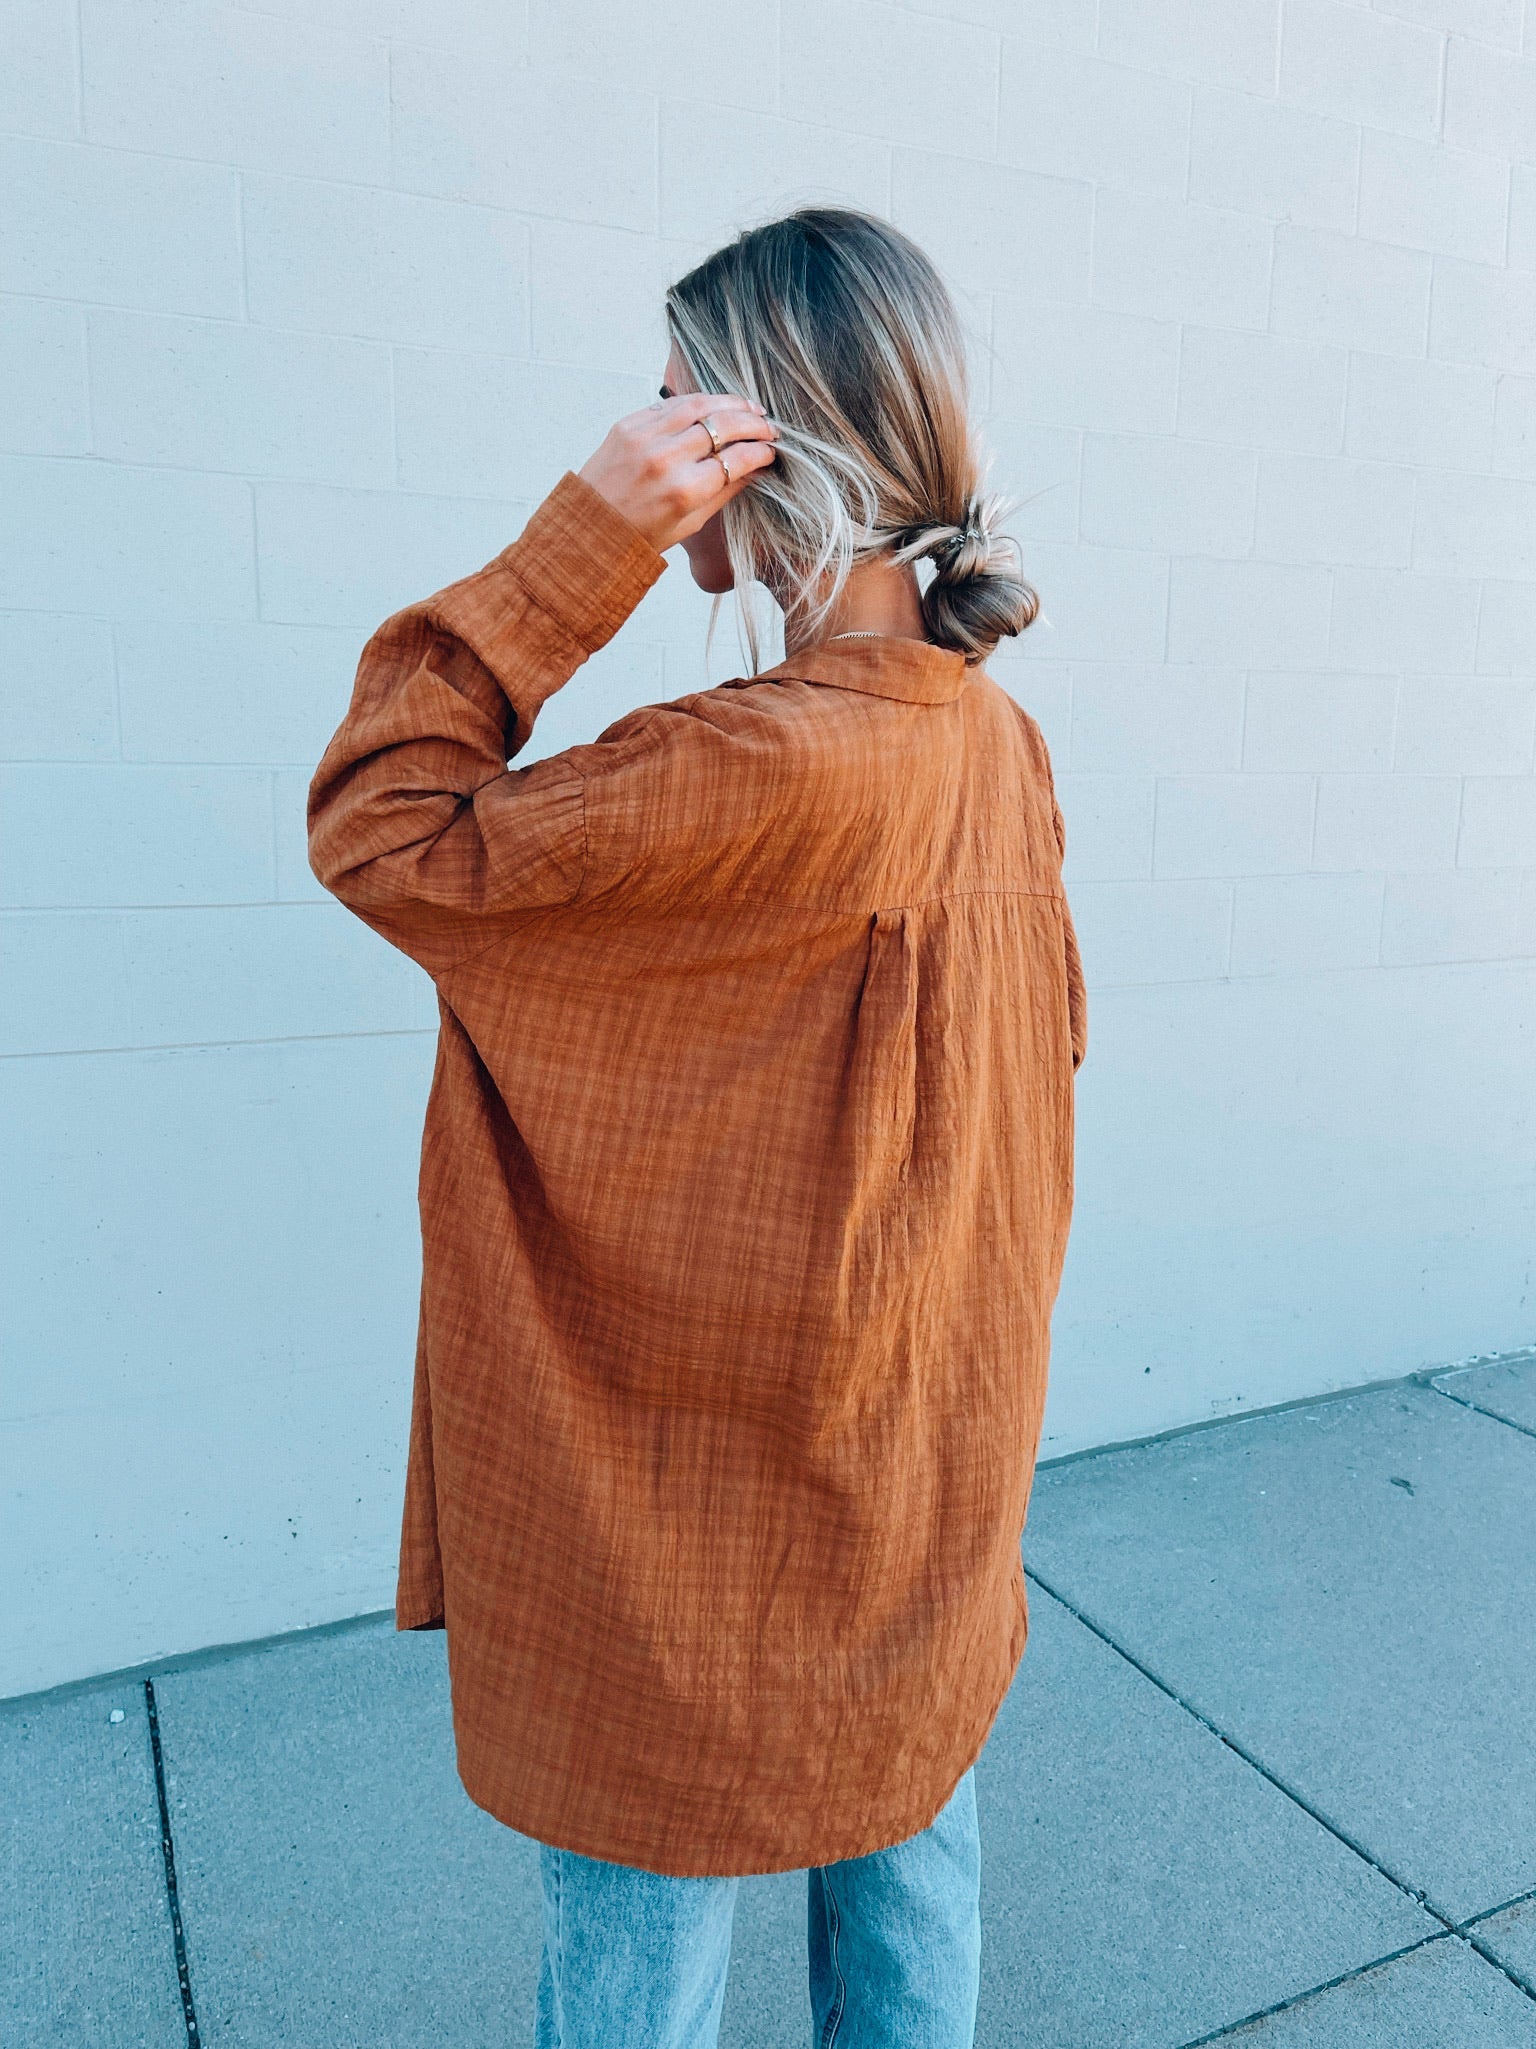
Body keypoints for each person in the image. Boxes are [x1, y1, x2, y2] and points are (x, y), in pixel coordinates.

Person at [307, 207, 1086, 2049]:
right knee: (913, 1852)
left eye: (670, 405)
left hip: (703, 1529)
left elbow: (383, 822)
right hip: (916, 1473)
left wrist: (583, 538)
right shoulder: (997, 746)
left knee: (648, 1925)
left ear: (760, 437)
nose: (641, 436)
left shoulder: (742, 767)